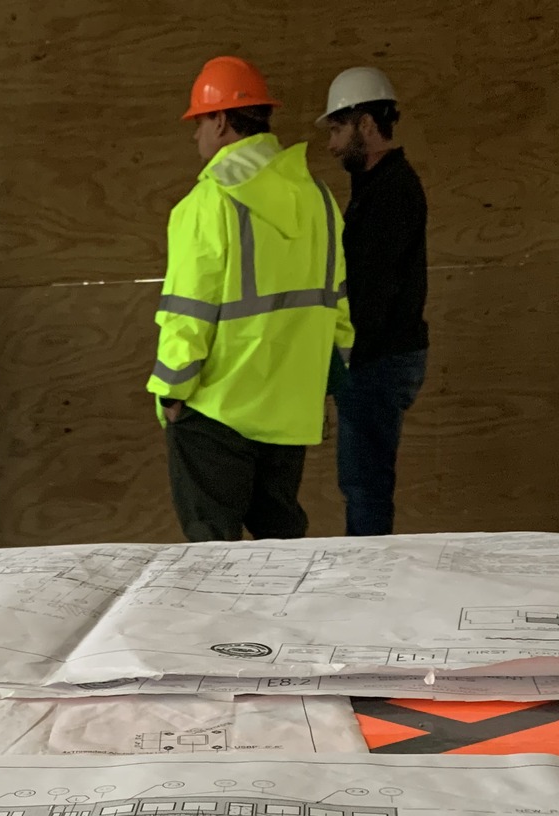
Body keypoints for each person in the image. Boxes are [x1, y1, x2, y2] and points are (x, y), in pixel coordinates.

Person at [149, 57, 354, 543]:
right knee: (281, 553)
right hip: (289, 411)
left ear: (220, 120)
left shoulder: (207, 203)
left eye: (198, 121)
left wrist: (172, 394)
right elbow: (338, 305)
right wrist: (320, 386)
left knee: (212, 557)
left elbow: (188, 313)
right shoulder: (319, 198)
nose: (195, 134)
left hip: (215, 410)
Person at [319, 67, 429, 536]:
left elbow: (371, 297)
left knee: (365, 486)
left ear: (365, 123)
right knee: (365, 484)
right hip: (379, 357)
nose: (332, 145)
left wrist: (342, 366)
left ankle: (366, 586)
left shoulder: (390, 193)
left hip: (377, 360)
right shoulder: (378, 188)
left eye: (338, 129)